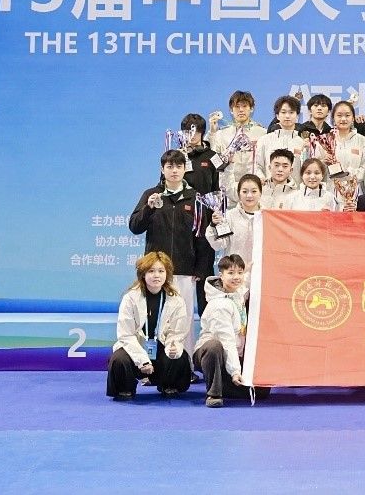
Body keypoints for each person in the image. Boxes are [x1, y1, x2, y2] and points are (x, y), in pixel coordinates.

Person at [129, 149, 214, 320]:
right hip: (156, 270)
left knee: (183, 320)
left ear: (185, 169)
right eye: (170, 166)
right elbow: (135, 227)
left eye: (178, 166)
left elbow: (202, 237)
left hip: (185, 270)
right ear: (162, 169)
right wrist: (148, 208)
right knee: (154, 318)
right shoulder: (151, 194)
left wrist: (200, 268)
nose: (174, 170)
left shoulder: (195, 198)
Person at [106, 251, 193, 401]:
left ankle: (169, 385)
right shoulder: (130, 298)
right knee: (119, 359)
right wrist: (142, 360)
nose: (156, 275)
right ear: (143, 274)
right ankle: (125, 389)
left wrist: (173, 347)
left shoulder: (176, 300)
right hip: (136, 347)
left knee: (180, 357)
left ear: (167, 274)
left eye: (161, 271)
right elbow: (126, 335)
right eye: (151, 271)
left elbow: (177, 332)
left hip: (161, 348)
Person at [192, 254, 259, 407]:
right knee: (214, 346)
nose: (236, 277)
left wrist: (248, 270)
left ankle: (224, 384)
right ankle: (214, 393)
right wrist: (235, 371)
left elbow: (243, 285)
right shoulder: (220, 305)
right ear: (221, 276)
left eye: (239, 273)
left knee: (262, 392)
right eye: (231, 273)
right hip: (210, 355)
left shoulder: (236, 294)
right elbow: (226, 340)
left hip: (232, 353)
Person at [210, 90, 267, 207]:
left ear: (252, 109)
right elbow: (214, 162)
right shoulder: (221, 134)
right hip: (229, 193)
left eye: (245, 106)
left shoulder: (262, 133)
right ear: (231, 110)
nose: (241, 110)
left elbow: (266, 162)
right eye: (237, 106)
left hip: (254, 192)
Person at [207, 174, 261, 274]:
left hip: (260, 273)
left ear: (260, 193)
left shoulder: (267, 217)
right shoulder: (229, 216)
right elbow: (219, 245)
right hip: (235, 274)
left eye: (254, 191)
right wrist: (213, 226)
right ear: (239, 194)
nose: (249, 195)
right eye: (244, 191)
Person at [315, 99, 365, 185]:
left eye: (347, 115)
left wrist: (349, 175)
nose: (343, 119)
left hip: (354, 188)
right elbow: (315, 168)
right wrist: (322, 162)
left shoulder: (362, 141)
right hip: (331, 189)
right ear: (333, 118)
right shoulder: (324, 141)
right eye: (339, 115)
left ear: (353, 118)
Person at [255, 95, 308, 180]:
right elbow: (257, 166)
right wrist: (261, 178)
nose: (287, 116)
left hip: (296, 188)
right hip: (269, 187)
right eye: (283, 112)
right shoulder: (264, 140)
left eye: (291, 112)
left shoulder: (302, 143)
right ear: (277, 116)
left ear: (297, 116)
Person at [178, 113, 219, 196]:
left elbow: (218, 185)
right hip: (182, 203)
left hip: (207, 202)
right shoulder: (177, 157)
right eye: (189, 132)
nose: (192, 135)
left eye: (196, 132)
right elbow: (165, 183)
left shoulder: (213, 156)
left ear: (202, 132)